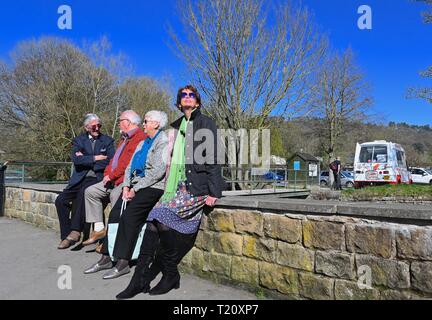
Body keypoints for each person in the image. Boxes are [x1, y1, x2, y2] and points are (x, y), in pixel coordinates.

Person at [116, 85, 225, 299]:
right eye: (183, 95)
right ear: (178, 102)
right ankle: (139, 280)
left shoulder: (206, 124)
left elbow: (213, 158)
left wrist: (215, 192)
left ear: (197, 102)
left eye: (191, 95)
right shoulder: (175, 127)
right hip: (176, 187)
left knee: (160, 218)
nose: (187, 98)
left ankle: (169, 274)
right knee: (152, 223)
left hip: (197, 188)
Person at [84, 110, 169, 280]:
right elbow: (130, 167)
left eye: (146, 121)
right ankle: (106, 257)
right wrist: (126, 186)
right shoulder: (143, 143)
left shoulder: (163, 142)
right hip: (135, 185)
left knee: (130, 216)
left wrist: (135, 189)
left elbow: (158, 172)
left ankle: (123, 261)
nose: (143, 124)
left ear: (156, 124)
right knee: (116, 213)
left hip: (153, 187)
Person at [82, 110, 146, 247]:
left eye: (120, 121)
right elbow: (114, 160)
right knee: (90, 192)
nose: (118, 124)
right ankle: (99, 230)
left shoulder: (139, 137)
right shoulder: (124, 138)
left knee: (115, 197)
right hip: (113, 178)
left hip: (124, 180)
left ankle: (110, 242)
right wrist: (107, 174)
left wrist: (111, 176)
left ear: (128, 122)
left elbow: (127, 163)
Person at [55, 114, 115, 249]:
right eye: (94, 126)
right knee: (60, 200)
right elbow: (76, 160)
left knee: (83, 193)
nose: (97, 128)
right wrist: (96, 158)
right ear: (86, 127)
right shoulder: (78, 141)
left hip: (96, 178)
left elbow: (110, 161)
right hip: (78, 179)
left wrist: (87, 159)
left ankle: (75, 231)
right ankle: (66, 235)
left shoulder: (107, 141)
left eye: (99, 125)